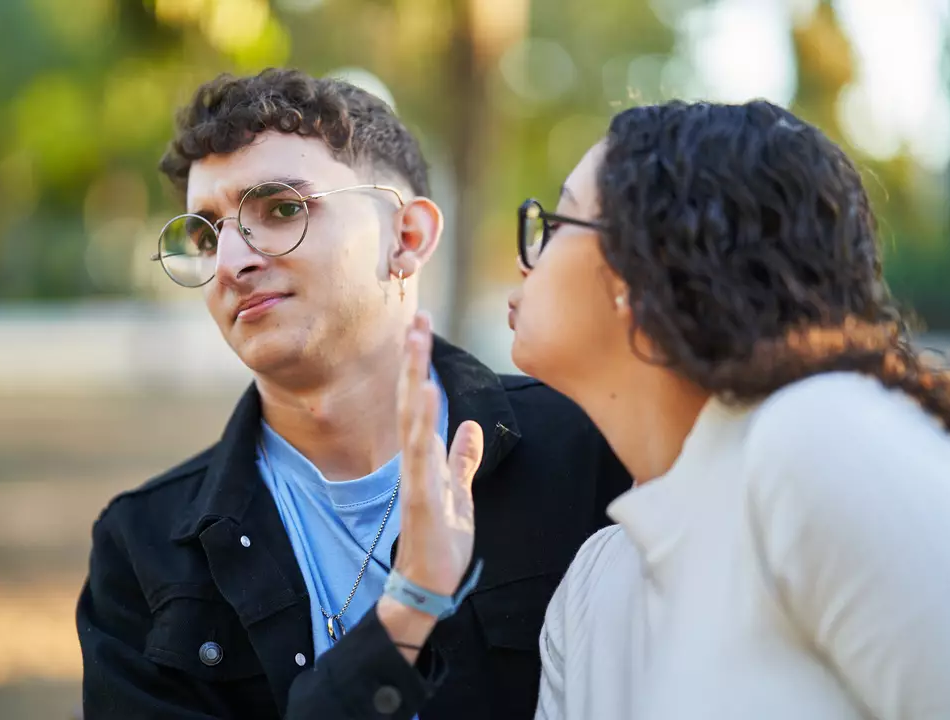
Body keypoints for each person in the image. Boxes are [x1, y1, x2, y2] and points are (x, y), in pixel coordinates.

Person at [75, 68, 632, 720]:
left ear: (408, 237)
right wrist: (409, 609)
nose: (230, 263)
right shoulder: (143, 549)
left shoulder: (591, 451)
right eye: (206, 234)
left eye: (281, 209)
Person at [503, 100, 950, 719]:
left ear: (641, 270)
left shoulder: (816, 442)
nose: (526, 257)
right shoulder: (594, 584)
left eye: (559, 221)